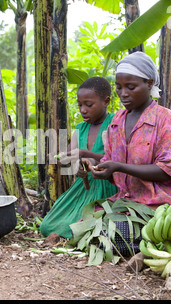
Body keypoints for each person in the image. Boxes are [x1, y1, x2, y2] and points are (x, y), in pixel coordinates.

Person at [85, 52, 171, 257]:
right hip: (127, 202)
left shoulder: (164, 118)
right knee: (89, 227)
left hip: (158, 203)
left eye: (131, 87)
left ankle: (149, 244)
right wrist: (97, 168)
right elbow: (111, 164)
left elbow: (166, 170)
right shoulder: (117, 120)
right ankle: (142, 243)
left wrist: (119, 166)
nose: (123, 93)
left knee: (118, 236)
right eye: (118, 87)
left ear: (149, 84)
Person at [40, 77, 118, 240]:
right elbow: (67, 159)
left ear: (106, 101)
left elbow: (117, 159)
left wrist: (84, 154)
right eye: (80, 105)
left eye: (89, 105)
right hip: (83, 188)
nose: (83, 110)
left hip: (107, 187)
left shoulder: (115, 124)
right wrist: (61, 158)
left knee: (89, 228)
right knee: (47, 226)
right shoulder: (81, 129)